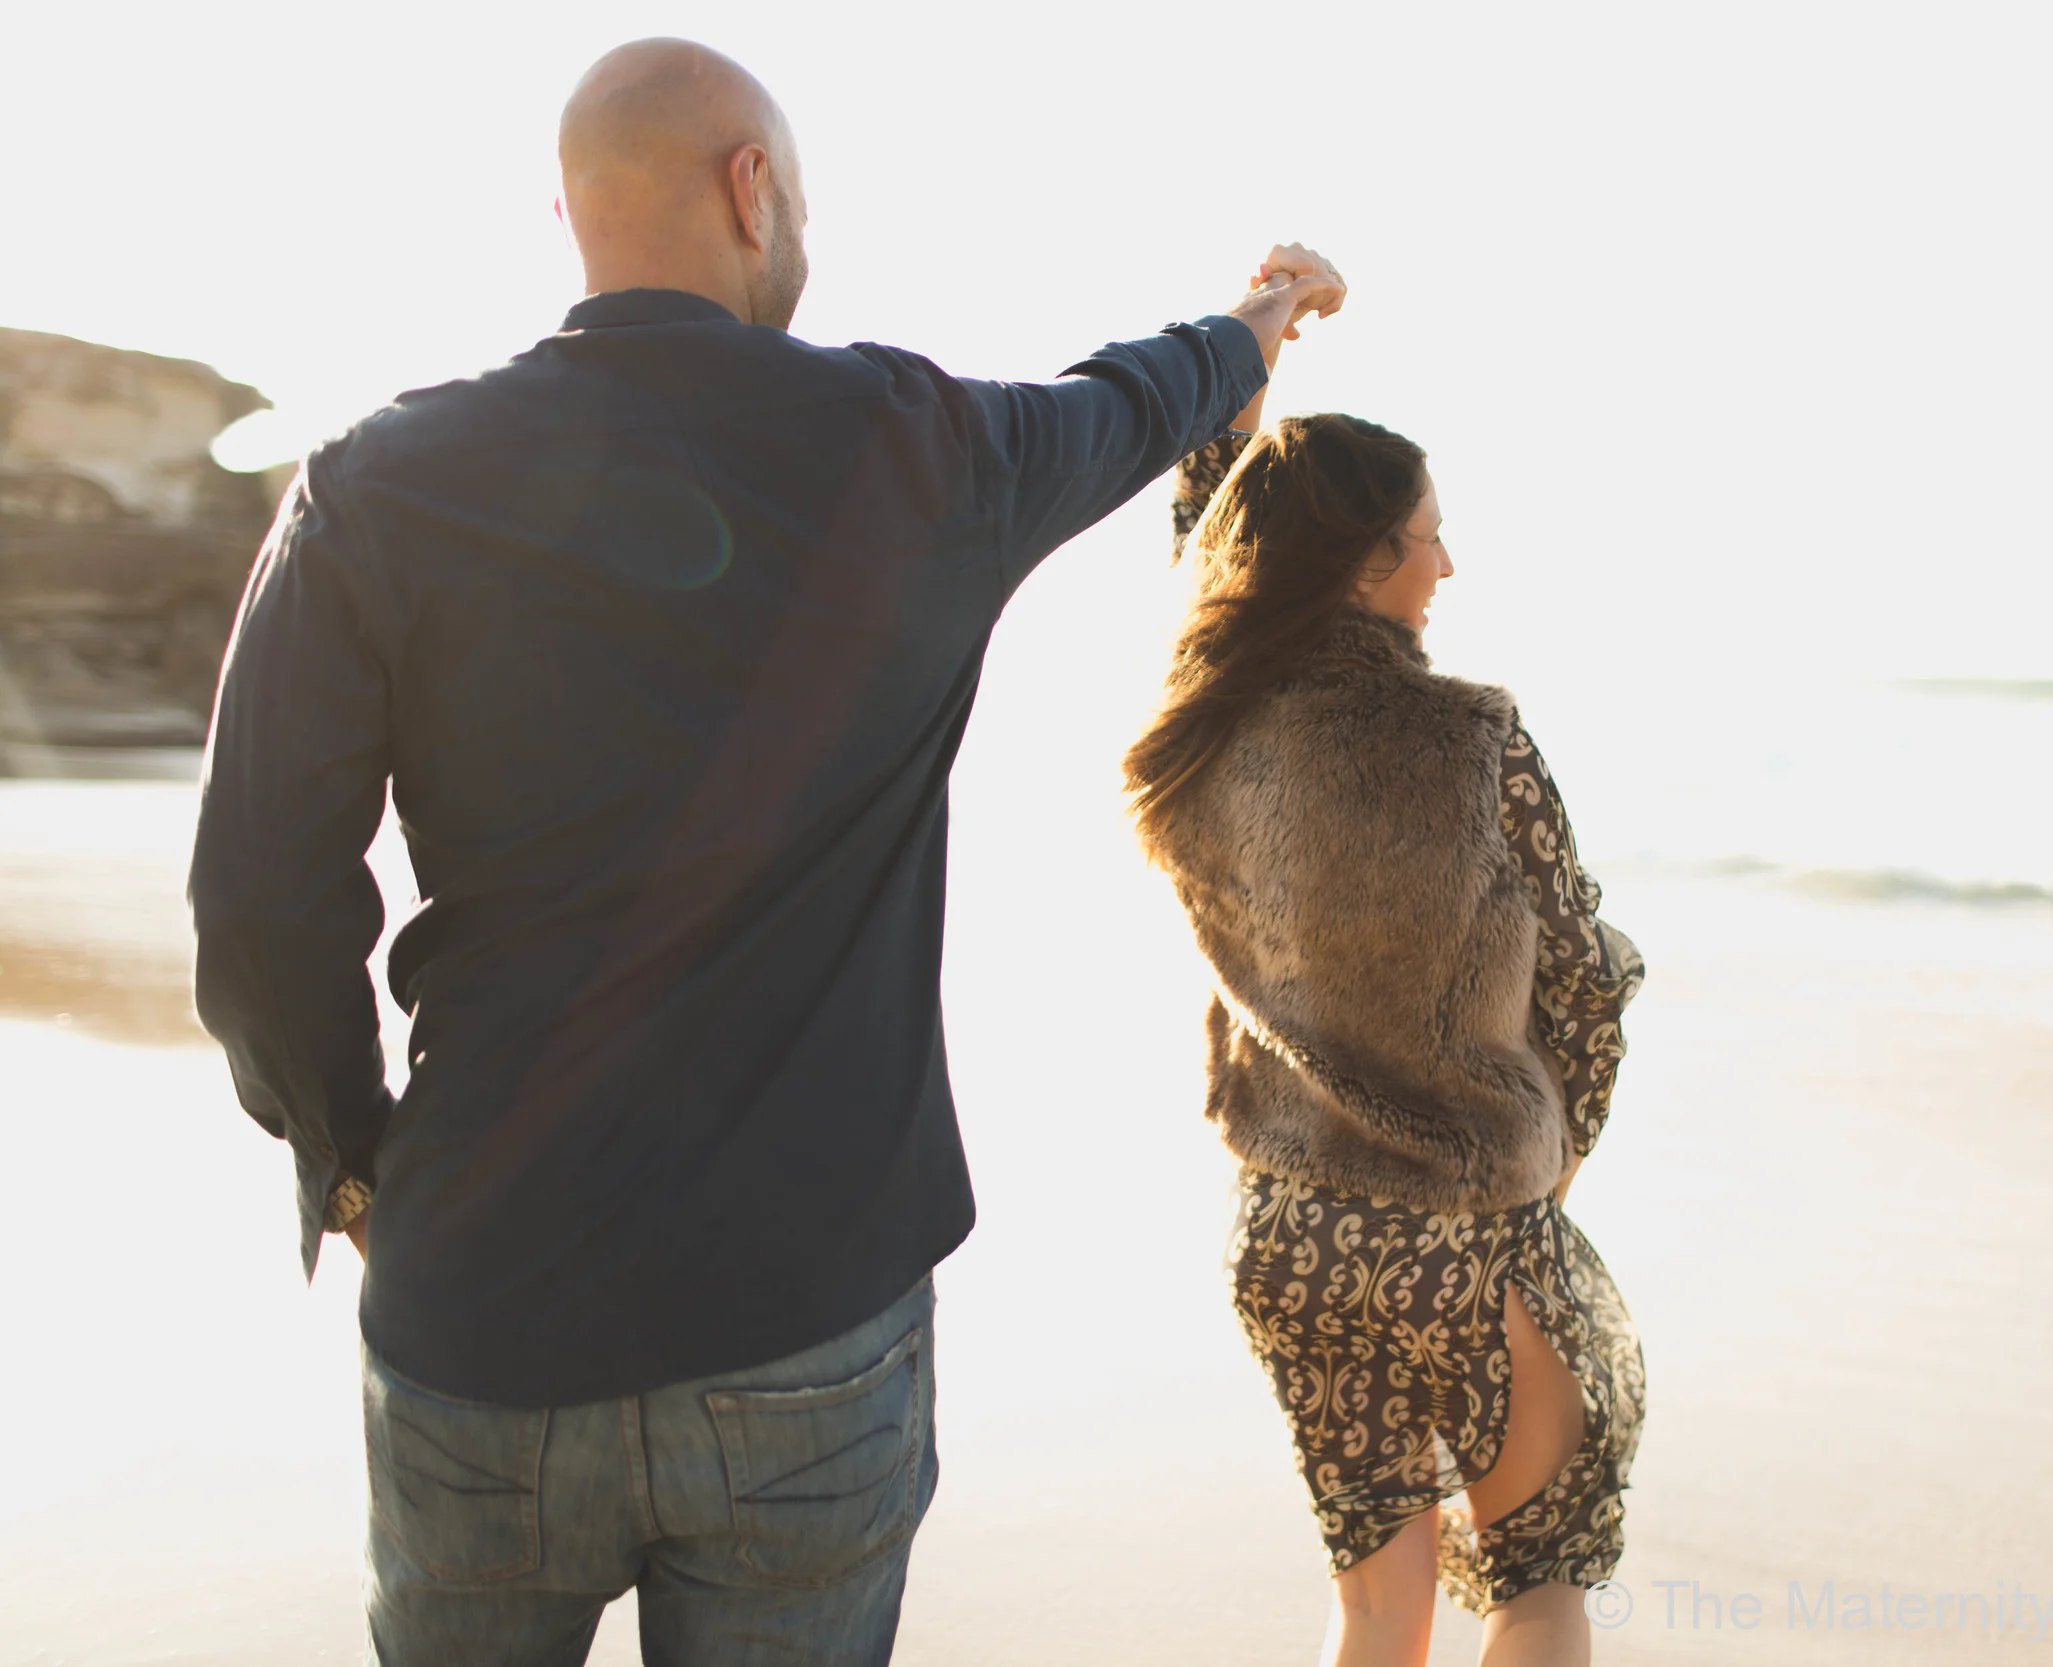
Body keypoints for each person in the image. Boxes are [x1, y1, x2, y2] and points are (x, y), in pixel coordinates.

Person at [185, 35, 1343, 1666]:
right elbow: (1133, 400)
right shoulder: (925, 447)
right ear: (752, 190)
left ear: (576, 215)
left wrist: (354, 1166)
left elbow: (256, 894)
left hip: (482, 1308)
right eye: (798, 195)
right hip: (806, 1323)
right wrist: (1261, 317)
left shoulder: (379, 481)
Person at [1131, 414, 1646, 1667]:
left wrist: (1243, 360)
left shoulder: (1201, 724)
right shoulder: (1474, 742)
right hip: (1465, 1233)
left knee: (1373, 1609)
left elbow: (1211, 547)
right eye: (1427, 538)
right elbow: (1584, 981)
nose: (1447, 563)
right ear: (1363, 560)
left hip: (1290, 1236)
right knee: (1538, 1579)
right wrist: (1560, 1153)